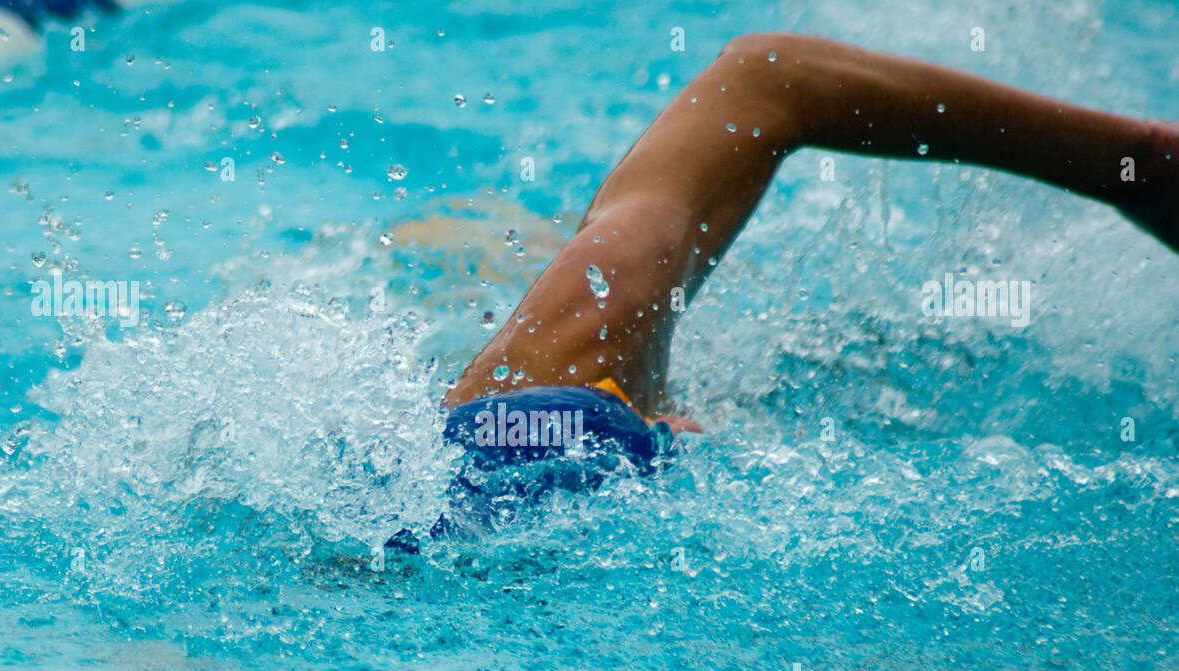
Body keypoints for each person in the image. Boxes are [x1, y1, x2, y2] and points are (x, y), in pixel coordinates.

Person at [442, 32, 1176, 444]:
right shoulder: (569, 350)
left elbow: (769, 84)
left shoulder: (574, 343)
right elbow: (767, 78)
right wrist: (1133, 166)